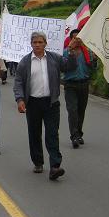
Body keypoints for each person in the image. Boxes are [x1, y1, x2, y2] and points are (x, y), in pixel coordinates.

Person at [13, 31, 78, 180]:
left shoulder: (54, 58)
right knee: (34, 133)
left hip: (51, 103)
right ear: (31, 44)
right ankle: (38, 162)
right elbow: (18, 82)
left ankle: (55, 166)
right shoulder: (25, 62)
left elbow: (70, 66)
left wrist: (72, 51)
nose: (37, 45)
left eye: (40, 42)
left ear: (45, 43)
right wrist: (20, 99)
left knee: (52, 134)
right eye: (34, 42)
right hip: (33, 103)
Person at [63, 29, 97, 148]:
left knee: (81, 111)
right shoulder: (66, 53)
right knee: (72, 111)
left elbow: (92, 68)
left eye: (79, 38)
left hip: (83, 84)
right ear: (71, 39)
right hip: (70, 85)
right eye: (75, 38)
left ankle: (79, 133)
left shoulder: (87, 52)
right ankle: (74, 136)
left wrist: (95, 59)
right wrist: (71, 51)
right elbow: (66, 67)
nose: (77, 41)